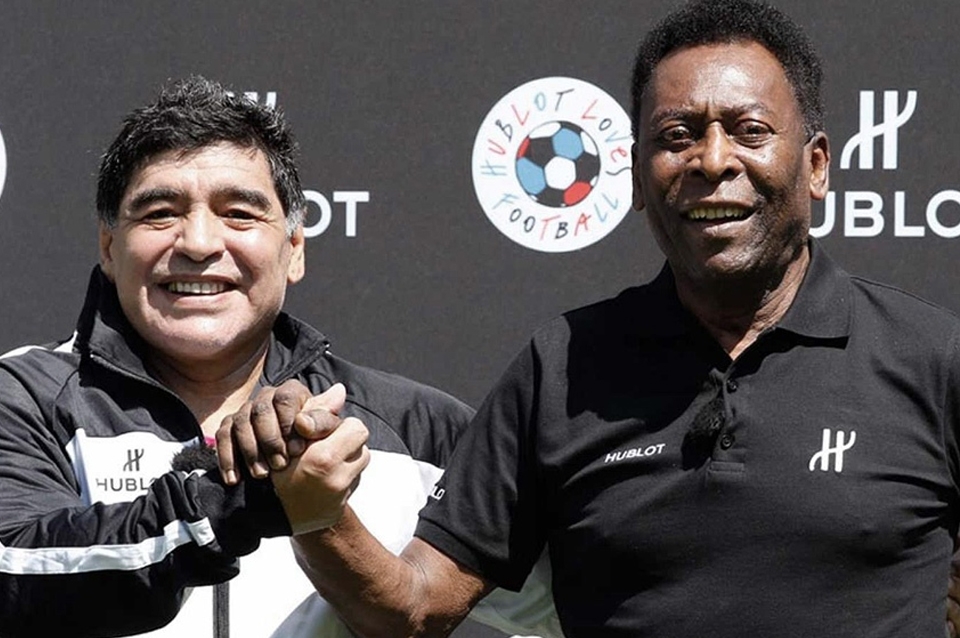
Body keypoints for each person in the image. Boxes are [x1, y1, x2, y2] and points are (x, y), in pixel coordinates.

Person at [221, 0, 960, 635]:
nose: (712, 160)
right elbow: (412, 609)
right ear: (636, 178)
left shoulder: (933, 358)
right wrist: (316, 514)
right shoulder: (563, 366)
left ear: (817, 165)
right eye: (677, 136)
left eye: (749, 131)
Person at [0, 76, 557, 638]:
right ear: (108, 247)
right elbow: (15, 577)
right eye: (161, 213)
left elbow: (583, 602)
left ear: (294, 250)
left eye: (239, 214)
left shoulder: (417, 427)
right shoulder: (24, 399)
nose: (199, 243)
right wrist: (243, 501)